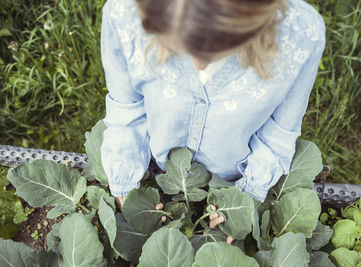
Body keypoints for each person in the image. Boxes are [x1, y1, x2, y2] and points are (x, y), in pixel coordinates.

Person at [100, 0, 326, 236]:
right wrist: (126, 189)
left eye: (218, 49)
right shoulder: (124, 15)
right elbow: (127, 112)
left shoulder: (301, 36)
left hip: (234, 177)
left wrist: (241, 201)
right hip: (157, 169)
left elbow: (278, 133)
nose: (199, 65)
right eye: (184, 48)